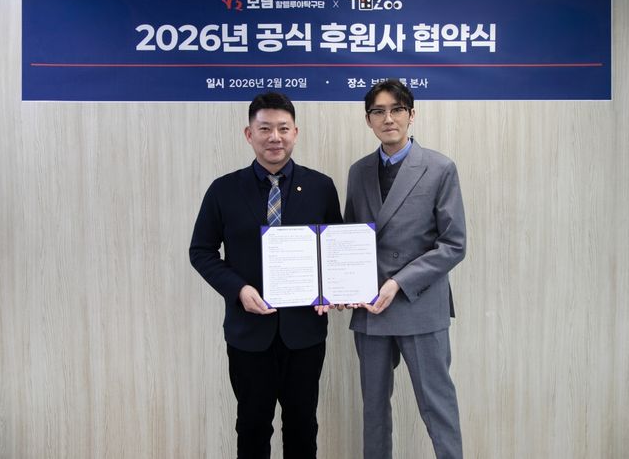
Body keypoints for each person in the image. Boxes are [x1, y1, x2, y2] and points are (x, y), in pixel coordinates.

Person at [189, 92, 342, 459]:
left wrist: (331, 289)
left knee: (302, 425)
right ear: (249, 134)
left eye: (283, 129)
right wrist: (238, 289)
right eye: (265, 129)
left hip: (304, 332)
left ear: (295, 133)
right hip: (248, 332)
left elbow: (335, 250)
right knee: (252, 426)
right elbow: (201, 251)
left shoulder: (320, 186)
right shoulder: (224, 189)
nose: (275, 137)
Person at [344, 79, 467, 459]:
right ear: (368, 120)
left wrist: (398, 282)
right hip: (370, 308)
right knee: (374, 411)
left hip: (419, 303)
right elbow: (349, 238)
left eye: (397, 109)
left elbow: (454, 244)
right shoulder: (359, 171)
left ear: (411, 115)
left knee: (437, 408)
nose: (388, 118)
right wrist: (341, 285)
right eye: (378, 111)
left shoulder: (440, 167)